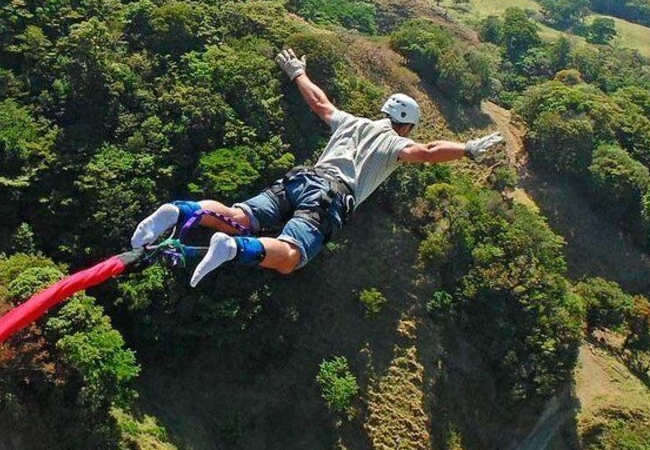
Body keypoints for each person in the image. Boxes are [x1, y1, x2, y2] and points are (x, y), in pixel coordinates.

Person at [131, 49, 504, 287]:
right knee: (290, 257)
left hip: (300, 178)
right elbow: (427, 151)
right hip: (329, 198)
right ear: (405, 125)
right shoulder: (395, 143)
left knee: (239, 215)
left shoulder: (351, 121)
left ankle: (179, 211)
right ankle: (232, 248)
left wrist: (297, 73)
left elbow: (320, 103)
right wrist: (467, 149)